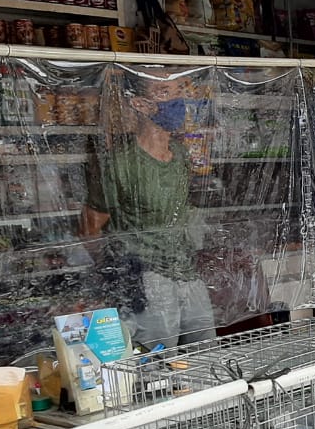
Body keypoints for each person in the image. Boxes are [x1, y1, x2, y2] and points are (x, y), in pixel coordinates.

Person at [80, 73, 216, 350]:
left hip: (187, 271)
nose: (178, 100)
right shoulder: (122, 163)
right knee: (154, 363)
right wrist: (119, 275)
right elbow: (90, 227)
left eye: (180, 90)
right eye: (165, 93)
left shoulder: (179, 154)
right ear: (140, 104)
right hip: (149, 277)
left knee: (207, 353)